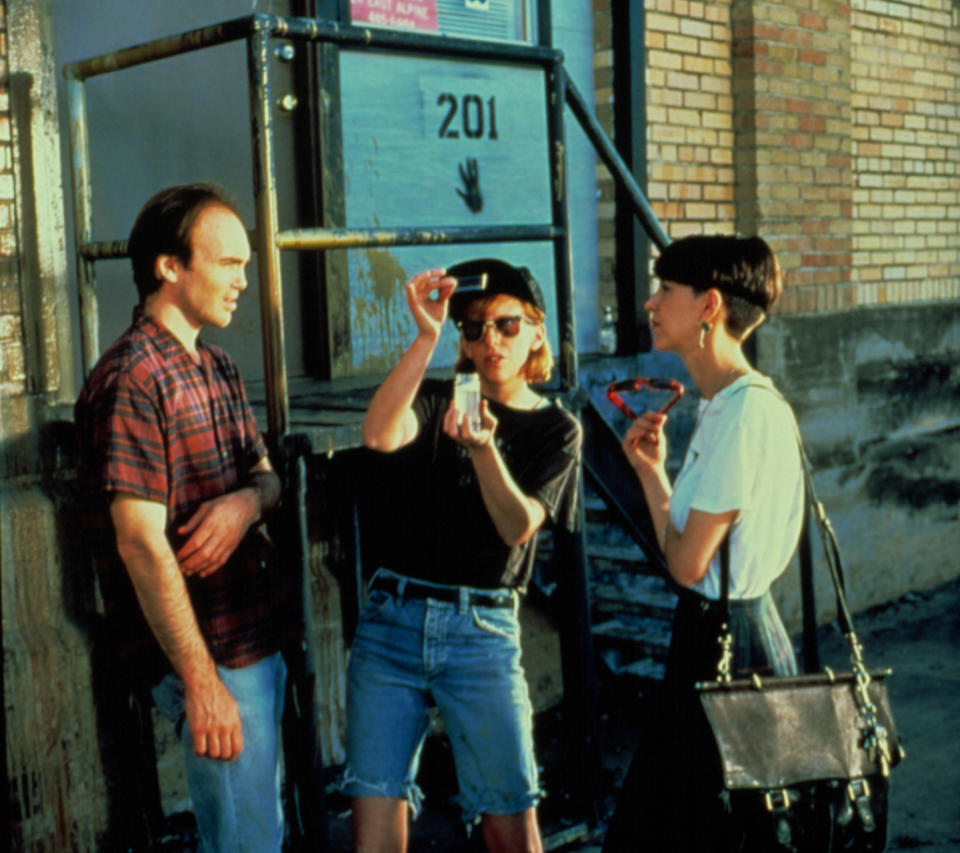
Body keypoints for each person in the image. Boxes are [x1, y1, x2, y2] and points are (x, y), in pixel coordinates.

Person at [75, 184, 293, 853]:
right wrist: (203, 685)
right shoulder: (132, 378)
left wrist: (246, 501)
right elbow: (139, 543)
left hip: (255, 640)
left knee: (261, 829)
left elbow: (270, 477)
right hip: (213, 657)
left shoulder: (217, 364)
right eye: (228, 263)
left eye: (245, 265)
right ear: (170, 266)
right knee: (245, 841)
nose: (243, 281)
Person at [344, 259, 582, 853]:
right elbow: (377, 434)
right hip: (390, 626)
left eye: (504, 325)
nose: (489, 341)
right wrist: (427, 335)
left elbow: (518, 526)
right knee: (375, 832)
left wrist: (482, 451)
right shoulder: (433, 398)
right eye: (472, 329)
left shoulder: (557, 429)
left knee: (511, 827)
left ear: (535, 331)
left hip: (481, 631)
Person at [602, 234, 803, 852]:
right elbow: (691, 555)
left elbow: (687, 563)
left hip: (724, 647)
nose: (651, 303)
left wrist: (663, 501)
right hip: (734, 636)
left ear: (709, 305)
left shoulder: (741, 414)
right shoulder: (736, 405)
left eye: (666, 290)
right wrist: (650, 474)